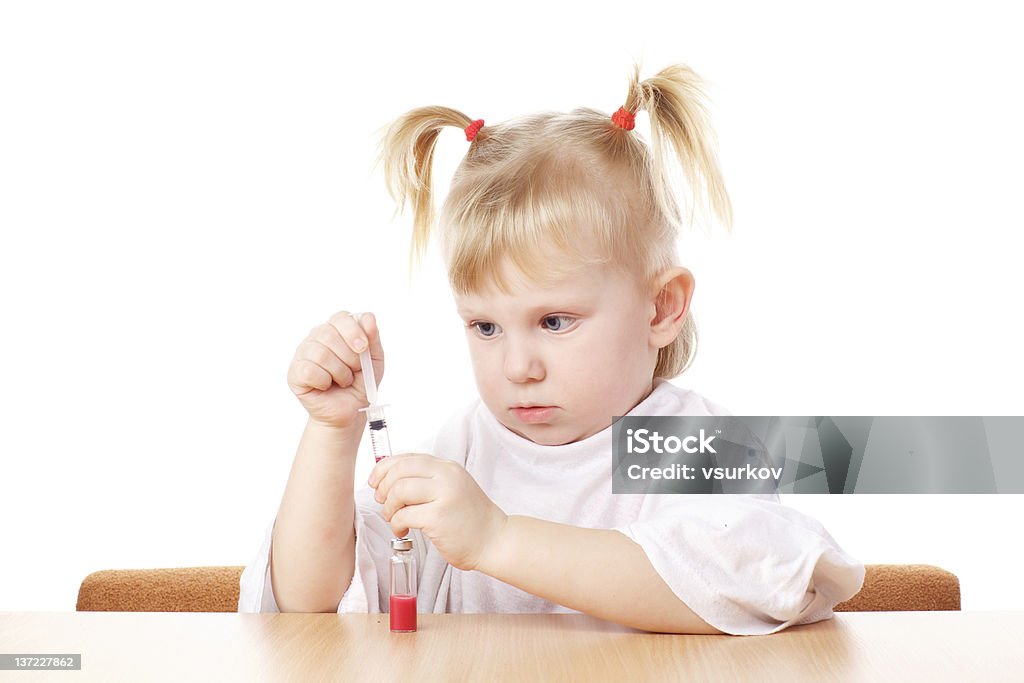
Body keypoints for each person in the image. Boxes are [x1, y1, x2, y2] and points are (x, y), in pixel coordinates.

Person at [238, 62, 864, 635]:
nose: (518, 367)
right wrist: (332, 432)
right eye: (485, 327)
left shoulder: (692, 443)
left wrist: (498, 540)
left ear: (661, 307)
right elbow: (307, 604)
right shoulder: (464, 449)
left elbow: (747, 581)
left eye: (556, 321)